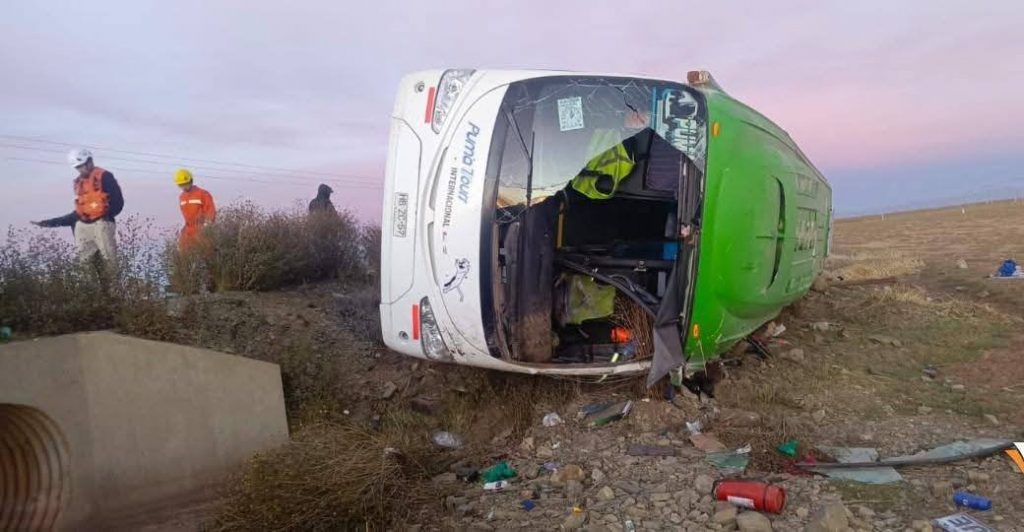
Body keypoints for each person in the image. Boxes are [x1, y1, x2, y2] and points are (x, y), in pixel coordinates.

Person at [32, 148, 124, 262]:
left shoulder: (104, 176)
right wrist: (50, 222)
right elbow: (79, 212)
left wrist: (105, 217)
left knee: (109, 261)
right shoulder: (78, 182)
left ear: (90, 161)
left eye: (82, 165)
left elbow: (118, 202)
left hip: (102, 224)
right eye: (78, 167)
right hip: (83, 226)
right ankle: (88, 280)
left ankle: (114, 280)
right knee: (85, 263)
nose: (81, 169)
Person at [174, 169, 216, 250]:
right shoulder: (182, 197)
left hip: (201, 229)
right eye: (181, 185)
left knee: (205, 253)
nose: (184, 187)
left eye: (185, 184)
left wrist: (207, 227)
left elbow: (210, 211)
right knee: (183, 255)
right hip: (188, 230)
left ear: (191, 181)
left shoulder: (202, 194)